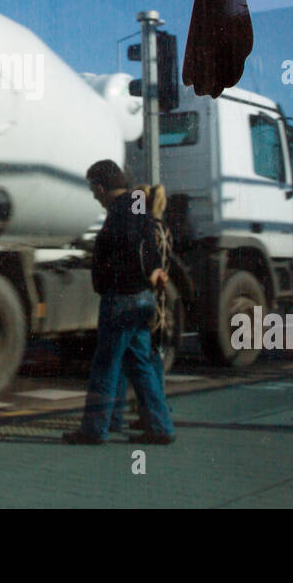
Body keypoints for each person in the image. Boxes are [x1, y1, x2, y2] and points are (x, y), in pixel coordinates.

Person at [63, 161, 175, 445]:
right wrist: (151, 270)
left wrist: (109, 270)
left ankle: (94, 429)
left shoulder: (120, 212)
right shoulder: (136, 205)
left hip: (122, 298)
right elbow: (144, 239)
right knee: (139, 363)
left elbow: (127, 243)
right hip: (142, 299)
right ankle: (161, 427)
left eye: (93, 189)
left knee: (106, 365)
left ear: (100, 187)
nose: (93, 196)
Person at [110, 183, 172, 434]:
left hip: (143, 295)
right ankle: (154, 413)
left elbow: (141, 262)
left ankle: (123, 415)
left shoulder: (145, 228)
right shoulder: (165, 229)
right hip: (160, 303)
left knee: (130, 359)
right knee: (151, 358)